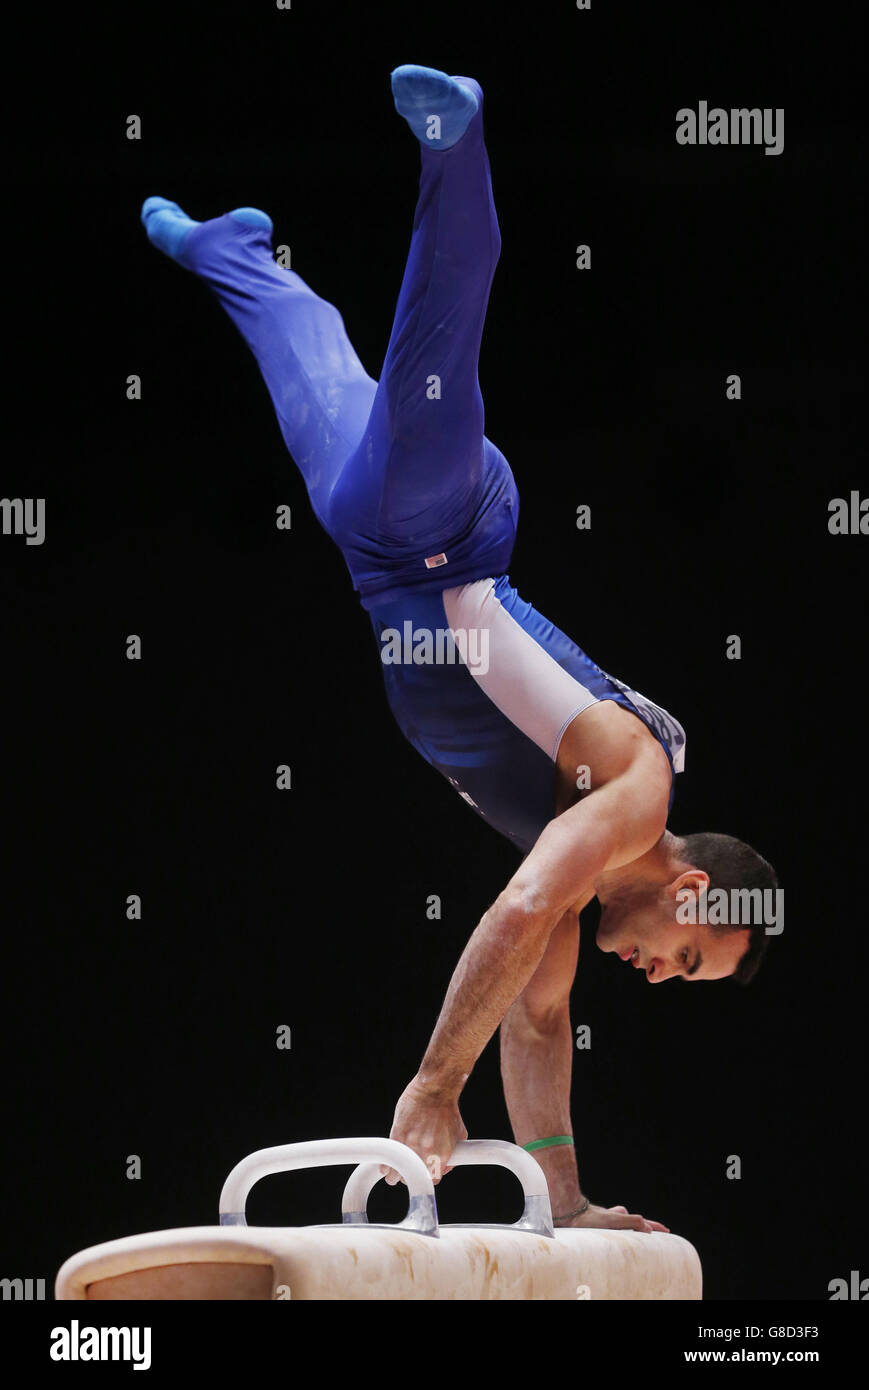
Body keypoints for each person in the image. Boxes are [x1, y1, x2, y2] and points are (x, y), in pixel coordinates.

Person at [142, 64, 777, 1232]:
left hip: (375, 558)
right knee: (442, 320)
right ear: (689, 889)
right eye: (688, 959)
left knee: (312, 360)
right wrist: (432, 1090)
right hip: (445, 542)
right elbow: (519, 907)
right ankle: (456, 136)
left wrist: (566, 1201)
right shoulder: (634, 795)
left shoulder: (586, 872)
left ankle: (229, 249)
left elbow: (535, 1020)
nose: (658, 978)